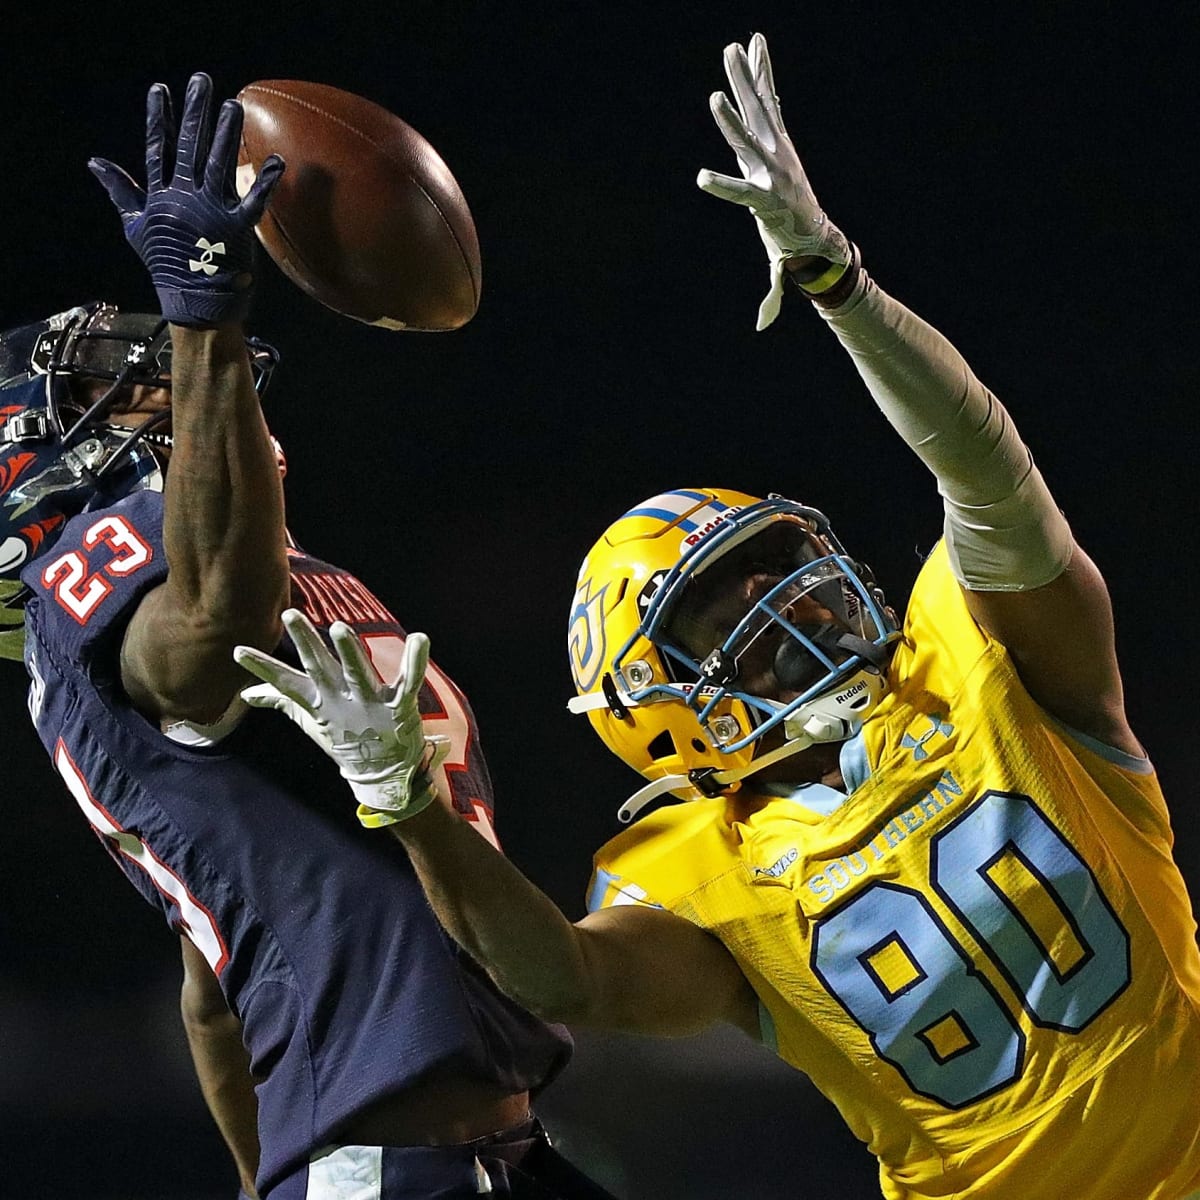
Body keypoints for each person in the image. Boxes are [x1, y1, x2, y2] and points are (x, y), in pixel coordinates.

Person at [235, 34, 1200, 1200]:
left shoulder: (981, 661)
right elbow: (561, 974)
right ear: (653, 712)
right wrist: (410, 808)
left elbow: (983, 468)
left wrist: (844, 285)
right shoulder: (702, 867)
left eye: (771, 561)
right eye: (712, 606)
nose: (772, 598)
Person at [1, 72, 618, 1200]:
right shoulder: (82, 581)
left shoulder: (286, 563)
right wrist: (204, 321)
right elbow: (211, 631)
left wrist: (258, 1182)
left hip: (492, 1148)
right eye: (109, 392)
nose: (147, 389)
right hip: (403, 1164)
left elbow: (212, 986)